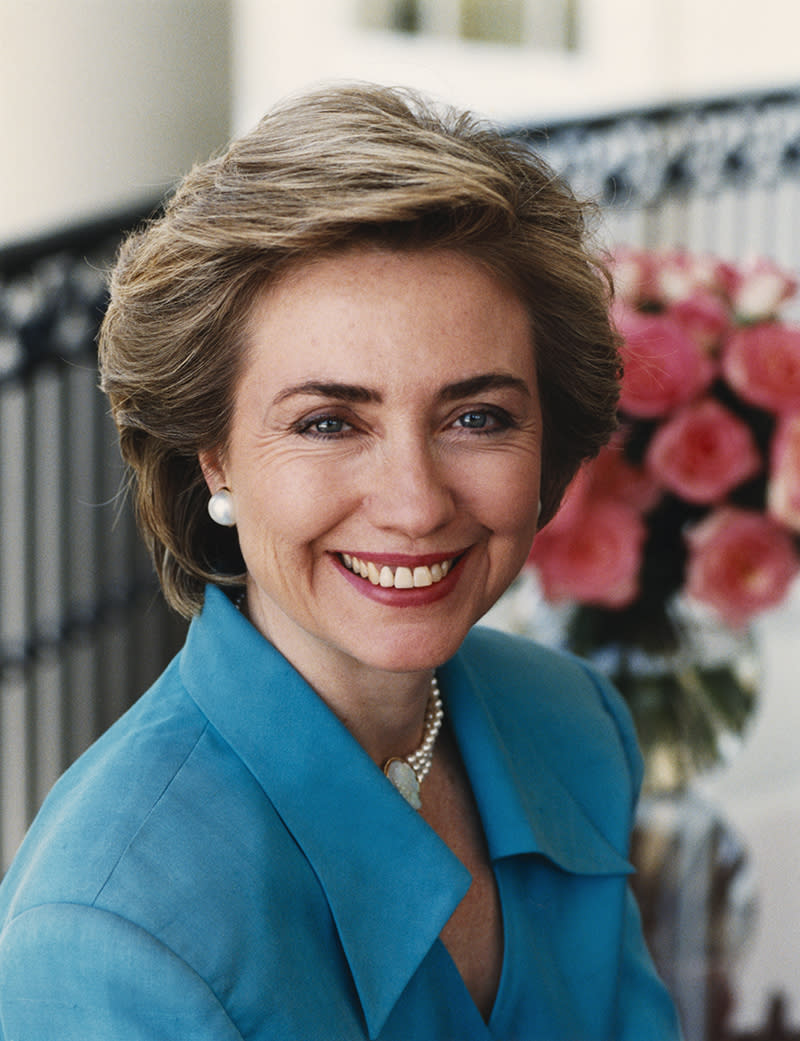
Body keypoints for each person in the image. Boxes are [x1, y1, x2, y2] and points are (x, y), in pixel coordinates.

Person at [0, 84, 683, 1040]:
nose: (413, 503)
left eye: (476, 417)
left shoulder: (574, 725)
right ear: (214, 457)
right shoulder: (108, 932)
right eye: (328, 422)